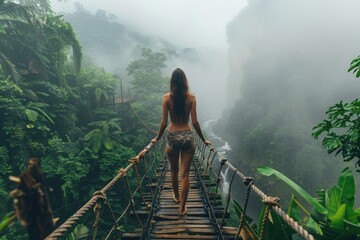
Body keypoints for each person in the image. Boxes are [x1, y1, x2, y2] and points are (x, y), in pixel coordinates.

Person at [151, 68, 210, 216]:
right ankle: (183, 207)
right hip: (188, 136)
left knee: (174, 170)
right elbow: (195, 122)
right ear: (185, 82)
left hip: (172, 136)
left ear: (172, 82)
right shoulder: (192, 98)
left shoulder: (166, 98)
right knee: (185, 174)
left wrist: (157, 138)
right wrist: (203, 139)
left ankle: (176, 197)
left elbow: (164, 123)